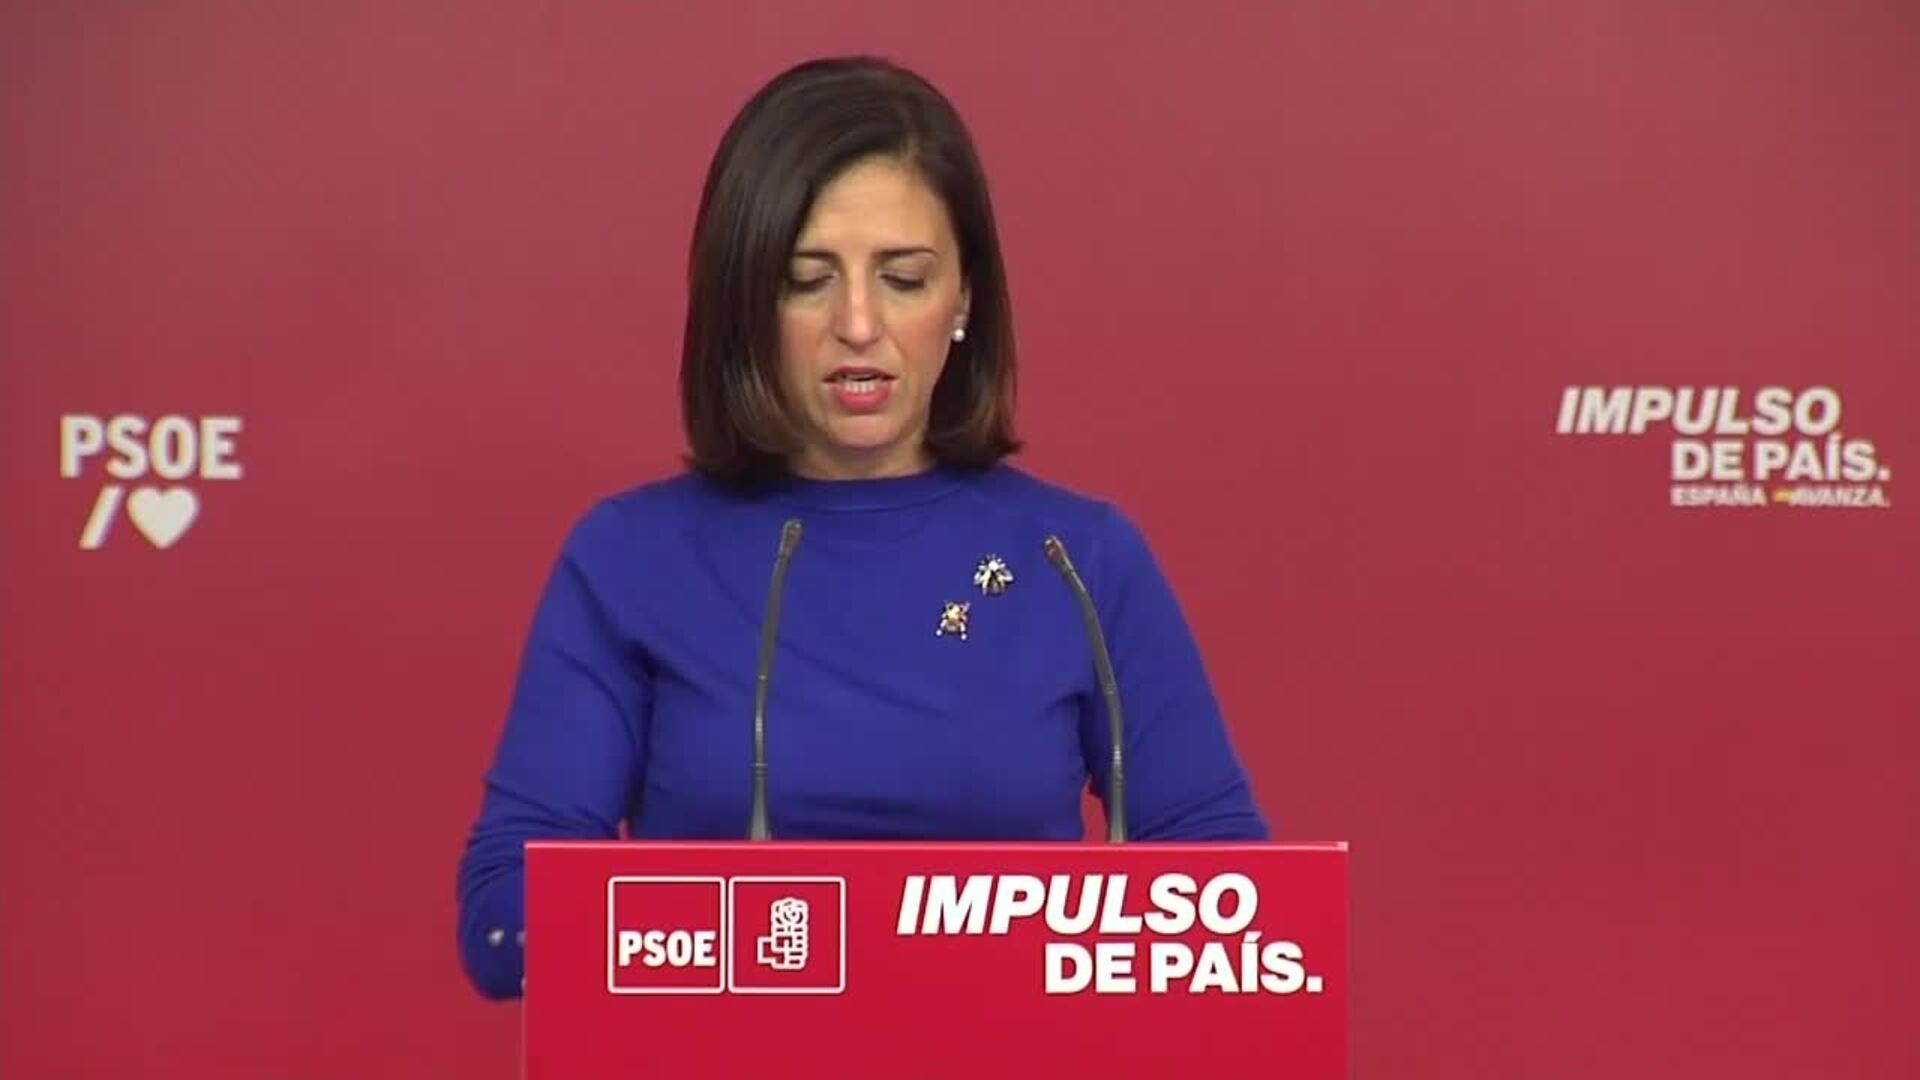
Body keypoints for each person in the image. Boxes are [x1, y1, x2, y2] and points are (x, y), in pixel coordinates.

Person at [456, 55, 1267, 1001]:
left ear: (964, 299)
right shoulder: (629, 560)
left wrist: (945, 949)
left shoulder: (1077, 561)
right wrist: (762, 942)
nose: (857, 323)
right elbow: (502, 921)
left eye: (904, 278)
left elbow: (1230, 903)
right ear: (745, 303)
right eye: (807, 280)